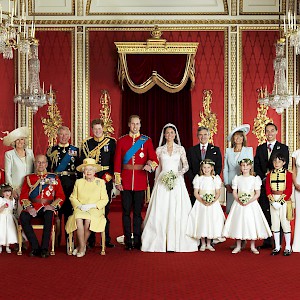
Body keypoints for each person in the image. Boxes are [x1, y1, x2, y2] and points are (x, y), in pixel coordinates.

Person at [141, 124, 198, 252]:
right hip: (162, 181)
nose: (170, 135)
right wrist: (156, 180)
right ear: (164, 135)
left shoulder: (180, 149)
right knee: (161, 209)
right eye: (167, 133)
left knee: (177, 209)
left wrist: (177, 174)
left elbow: (186, 166)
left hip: (177, 181)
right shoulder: (159, 150)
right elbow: (157, 167)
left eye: (172, 132)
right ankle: (159, 241)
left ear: (175, 134)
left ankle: (177, 241)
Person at [114, 115, 158, 250]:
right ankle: (128, 240)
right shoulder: (122, 141)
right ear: (129, 125)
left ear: (140, 125)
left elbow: (155, 160)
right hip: (125, 182)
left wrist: (150, 166)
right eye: (133, 124)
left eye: (137, 124)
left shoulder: (147, 141)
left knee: (138, 213)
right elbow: (117, 162)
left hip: (140, 181)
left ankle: (138, 240)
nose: (135, 126)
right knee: (126, 212)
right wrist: (117, 181)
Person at [19, 155, 65, 258]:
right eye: (38, 162)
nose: (41, 165)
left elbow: (61, 196)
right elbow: (23, 196)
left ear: (47, 164)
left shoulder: (54, 177)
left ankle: (44, 249)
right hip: (33, 206)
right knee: (23, 217)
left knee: (49, 216)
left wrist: (52, 206)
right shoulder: (29, 178)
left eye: (43, 162)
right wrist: (29, 207)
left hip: (48, 206)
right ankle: (35, 247)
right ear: (35, 164)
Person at [222, 159, 272, 254]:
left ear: (250, 167)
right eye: (243, 165)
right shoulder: (237, 178)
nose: (245, 167)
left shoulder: (254, 179)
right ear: (240, 167)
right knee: (238, 223)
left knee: (251, 223)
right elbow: (234, 192)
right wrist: (239, 200)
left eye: (247, 165)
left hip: (251, 204)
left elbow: (257, 193)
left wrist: (249, 201)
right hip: (239, 204)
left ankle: (252, 246)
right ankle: (238, 245)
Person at [80, 119, 116, 248]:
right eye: (95, 129)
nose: (97, 131)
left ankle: (106, 239)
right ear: (92, 129)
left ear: (103, 129)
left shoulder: (111, 142)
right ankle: (90, 240)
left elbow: (114, 161)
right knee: (90, 209)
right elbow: (83, 162)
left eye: (99, 129)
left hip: (105, 177)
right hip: (91, 178)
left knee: (104, 210)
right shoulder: (86, 143)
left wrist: (110, 176)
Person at [254, 122, 289, 249]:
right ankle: (267, 240)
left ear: (276, 132)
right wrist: (263, 178)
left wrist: (272, 176)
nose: (269, 133)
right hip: (264, 186)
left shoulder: (283, 148)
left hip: (278, 186)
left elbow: (285, 166)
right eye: (267, 131)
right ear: (265, 133)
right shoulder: (260, 148)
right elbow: (256, 165)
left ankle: (278, 241)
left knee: (278, 213)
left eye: (272, 131)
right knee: (265, 212)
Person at [65, 158, 108, 258]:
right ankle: (83, 246)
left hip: (95, 209)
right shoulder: (79, 182)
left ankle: (81, 246)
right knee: (78, 219)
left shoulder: (100, 182)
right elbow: (73, 197)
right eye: (86, 169)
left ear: (95, 171)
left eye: (91, 169)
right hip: (81, 208)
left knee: (88, 220)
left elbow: (105, 199)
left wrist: (92, 205)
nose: (88, 172)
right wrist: (80, 205)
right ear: (83, 171)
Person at [46, 126, 79, 248]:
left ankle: (70, 242)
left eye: (66, 135)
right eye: (61, 134)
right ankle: (56, 241)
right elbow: (48, 170)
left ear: (69, 136)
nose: (64, 137)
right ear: (57, 136)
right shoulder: (51, 150)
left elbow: (79, 170)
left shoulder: (75, 150)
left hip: (70, 184)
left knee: (70, 213)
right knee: (57, 214)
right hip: (56, 185)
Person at [186, 159, 225, 252]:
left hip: (212, 204)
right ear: (201, 168)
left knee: (211, 221)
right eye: (204, 167)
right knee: (202, 221)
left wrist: (212, 201)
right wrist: (203, 201)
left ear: (212, 168)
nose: (206, 169)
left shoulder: (215, 179)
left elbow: (218, 193)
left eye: (208, 167)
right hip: (201, 203)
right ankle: (203, 243)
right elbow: (196, 193)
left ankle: (209, 243)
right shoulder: (198, 178)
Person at [266, 153, 293, 256]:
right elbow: (268, 189)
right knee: (275, 223)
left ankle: (287, 247)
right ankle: (277, 246)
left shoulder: (288, 174)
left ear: (284, 163)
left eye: (279, 161)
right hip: (273, 200)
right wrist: (272, 201)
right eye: (275, 161)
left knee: (285, 224)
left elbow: (289, 189)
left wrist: (280, 202)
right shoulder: (269, 174)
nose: (276, 163)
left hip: (284, 201)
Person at [187, 126, 222, 205]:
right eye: (200, 135)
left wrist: (213, 179)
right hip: (197, 183)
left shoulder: (216, 150)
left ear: (209, 135)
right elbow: (188, 167)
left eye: (205, 134)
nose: (203, 137)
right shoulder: (192, 150)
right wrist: (195, 180)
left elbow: (219, 166)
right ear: (197, 136)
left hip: (210, 185)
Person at [3, 127, 34, 216]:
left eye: (22, 139)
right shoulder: (9, 154)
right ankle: (20, 229)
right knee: (20, 212)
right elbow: (8, 173)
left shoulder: (30, 152)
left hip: (30, 187)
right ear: (14, 142)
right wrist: (11, 190)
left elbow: (34, 169)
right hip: (17, 188)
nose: (20, 142)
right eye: (17, 140)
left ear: (25, 141)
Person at [223, 124, 253, 214]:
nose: (238, 138)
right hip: (231, 181)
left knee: (243, 206)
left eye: (240, 136)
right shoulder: (228, 151)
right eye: (236, 136)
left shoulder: (248, 150)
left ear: (243, 138)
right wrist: (226, 183)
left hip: (245, 181)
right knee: (231, 208)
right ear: (233, 139)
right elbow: (225, 168)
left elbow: (251, 167)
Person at [0, 183, 18, 253]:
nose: (7, 193)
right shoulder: (1, 200)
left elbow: (14, 209)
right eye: (5, 192)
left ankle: (7, 246)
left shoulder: (12, 200)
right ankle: (0, 245)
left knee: (9, 231)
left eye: (9, 191)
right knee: (2, 231)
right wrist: (3, 207)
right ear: (2, 192)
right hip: (2, 217)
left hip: (9, 218)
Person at [292, 147, 300, 252]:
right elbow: (293, 170)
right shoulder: (296, 153)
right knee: (299, 214)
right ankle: (298, 243)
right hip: (298, 185)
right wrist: (295, 184)